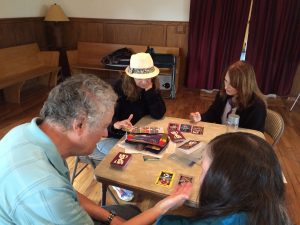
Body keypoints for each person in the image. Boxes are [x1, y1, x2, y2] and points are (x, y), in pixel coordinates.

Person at [0, 74, 144, 225]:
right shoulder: (46, 191)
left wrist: (110, 218)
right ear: (79, 124)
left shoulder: (24, 131)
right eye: (103, 126)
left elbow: (67, 192)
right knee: (134, 213)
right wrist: (160, 208)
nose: (104, 133)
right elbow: (54, 194)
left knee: (130, 212)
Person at [155, 132, 292, 225]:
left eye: (203, 170)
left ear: (225, 184)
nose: (199, 175)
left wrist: (159, 209)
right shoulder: (271, 211)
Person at [90, 52, 166, 201]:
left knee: (156, 152)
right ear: (131, 76)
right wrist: (116, 124)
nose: (145, 81)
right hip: (110, 135)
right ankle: (117, 181)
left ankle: (134, 177)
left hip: (135, 133)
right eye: (140, 78)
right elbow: (99, 120)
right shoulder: (116, 88)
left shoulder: (150, 85)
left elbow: (158, 113)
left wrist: (150, 91)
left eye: (148, 77)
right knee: (129, 158)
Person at [190, 61, 267, 132]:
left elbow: (254, 138)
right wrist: (201, 117)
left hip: (240, 144)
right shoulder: (223, 94)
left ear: (243, 85)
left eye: (232, 84)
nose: (226, 87)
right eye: (226, 81)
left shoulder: (257, 107)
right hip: (222, 137)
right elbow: (213, 113)